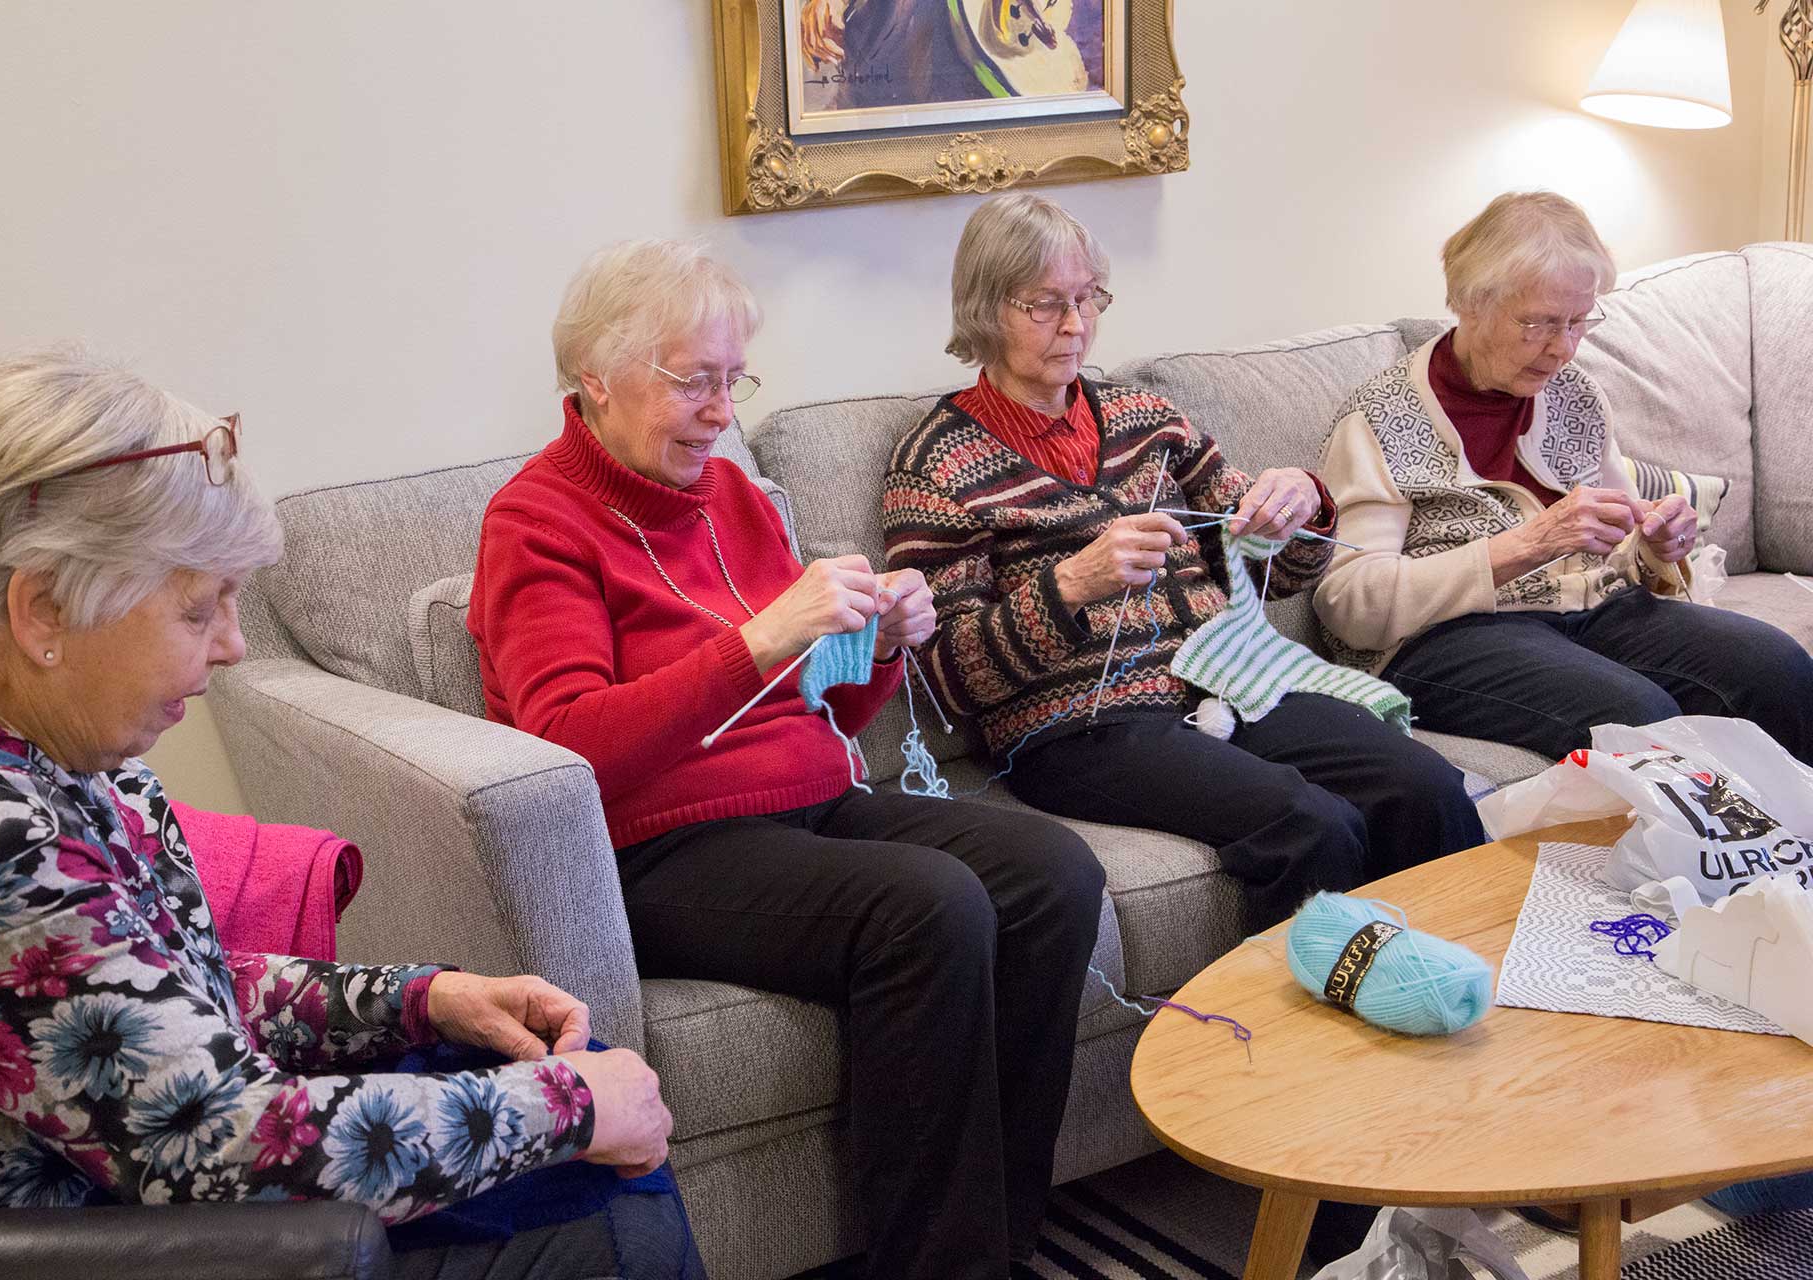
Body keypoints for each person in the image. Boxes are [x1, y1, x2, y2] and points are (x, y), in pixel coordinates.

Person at [0, 346, 702, 1279]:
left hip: (175, 1179)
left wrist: (424, 1000)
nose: (233, 646)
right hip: (114, 1246)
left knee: (582, 1091)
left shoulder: (37, 729)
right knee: (612, 1205)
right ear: (42, 610)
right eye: (198, 610)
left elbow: (162, 995)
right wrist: (573, 1107)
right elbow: (220, 1145)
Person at [468, 239, 1105, 1280]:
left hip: (808, 800)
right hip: (659, 849)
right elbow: (568, 745)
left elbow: (829, 708)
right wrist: (760, 638)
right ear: (596, 377)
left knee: (1051, 872)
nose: (721, 413)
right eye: (694, 381)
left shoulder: (734, 494)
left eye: (734, 380)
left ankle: (1001, 1236)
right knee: (929, 904)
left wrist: (883, 644)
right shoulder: (537, 521)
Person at [882, 192, 1487, 934]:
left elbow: (1276, 571)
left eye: (1088, 297)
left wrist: (1299, 507)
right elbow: (945, 676)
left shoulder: (1147, 418)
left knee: (1424, 784)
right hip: (1082, 728)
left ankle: (1465, 984)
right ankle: (1314, 1009)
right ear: (985, 310)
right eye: (1044, 304)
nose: (1075, 325)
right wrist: (1070, 585)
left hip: (1226, 679)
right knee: (1310, 824)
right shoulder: (935, 463)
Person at [1315, 191, 1813, 765]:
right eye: (1541, 324)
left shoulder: (1575, 394)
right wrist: (1529, 544)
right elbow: (1349, 605)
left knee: (1774, 666)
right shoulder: (1381, 417)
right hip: (1448, 636)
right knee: (1637, 716)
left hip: (1589, 608)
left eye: (1579, 322)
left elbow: (1626, 543)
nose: (1563, 349)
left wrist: (1657, 544)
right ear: (1471, 304)